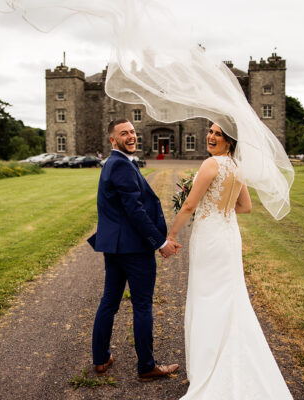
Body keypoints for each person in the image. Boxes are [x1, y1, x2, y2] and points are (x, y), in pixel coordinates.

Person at [167, 123, 294, 399]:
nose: (211, 137)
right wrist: (220, 206)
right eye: (211, 131)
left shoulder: (211, 165)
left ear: (229, 141)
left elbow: (189, 205)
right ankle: (235, 355)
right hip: (227, 236)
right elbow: (244, 207)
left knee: (206, 296)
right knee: (230, 297)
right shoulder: (237, 168)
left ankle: (209, 367)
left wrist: (171, 234)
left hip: (210, 237)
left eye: (218, 134)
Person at [88, 118, 180, 380]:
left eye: (132, 132)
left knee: (110, 301)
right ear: (112, 139)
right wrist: (161, 242)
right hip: (134, 250)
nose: (131, 136)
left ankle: (101, 359)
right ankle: (147, 367)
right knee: (141, 306)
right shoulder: (120, 166)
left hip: (115, 248)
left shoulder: (115, 163)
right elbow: (135, 211)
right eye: (123, 133)